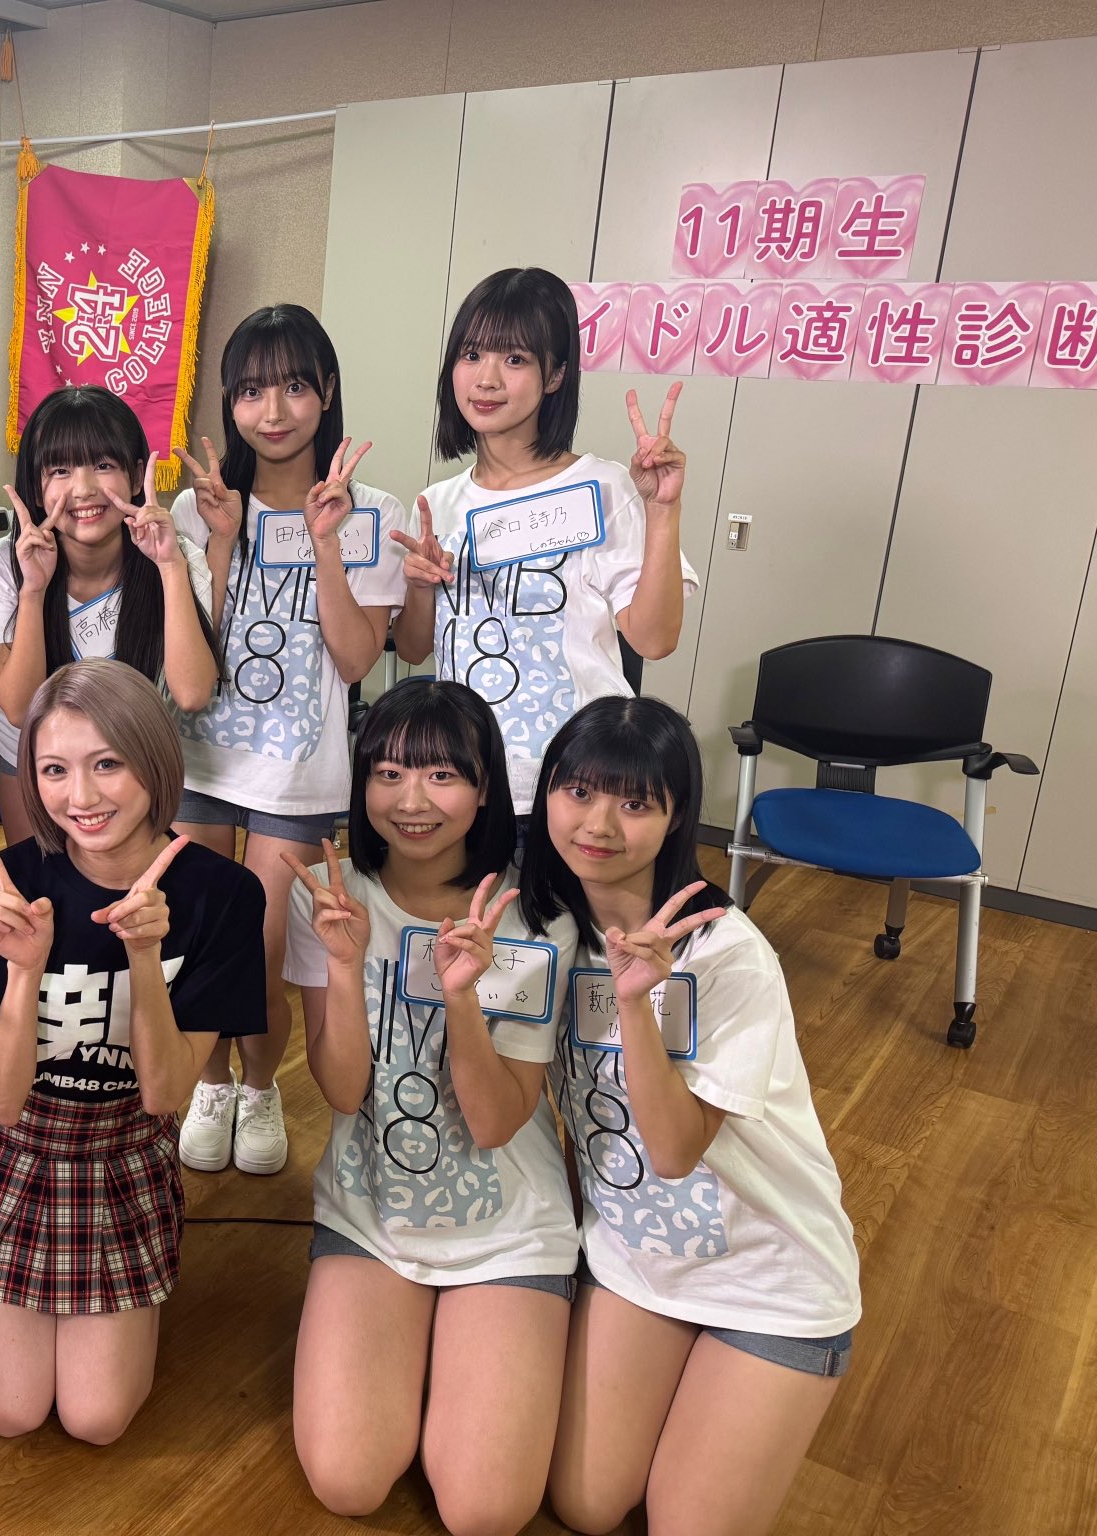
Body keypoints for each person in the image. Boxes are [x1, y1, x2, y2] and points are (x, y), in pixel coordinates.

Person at [518, 696, 861, 1536]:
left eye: (635, 802)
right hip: (639, 1263)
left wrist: (637, 1004)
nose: (599, 824)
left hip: (771, 1280)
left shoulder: (728, 953)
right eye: (578, 791)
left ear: (676, 818)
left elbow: (672, 1150)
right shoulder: (549, 931)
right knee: (585, 1505)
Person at [0, 660, 267, 1444]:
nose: (81, 797)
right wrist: (24, 971)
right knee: (12, 1412)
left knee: (97, 1417)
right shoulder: (2, 890)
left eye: (108, 763)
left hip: (122, 1153)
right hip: (8, 1148)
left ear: (154, 760)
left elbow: (165, 1096)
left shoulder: (222, 896)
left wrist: (145, 955)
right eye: (54, 770)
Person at [285, 680, 579, 1530]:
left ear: (486, 790)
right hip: (371, 1214)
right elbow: (343, 1091)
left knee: (485, 1511)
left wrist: (462, 997)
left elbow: (494, 1123)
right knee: (346, 1481)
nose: (411, 801)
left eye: (443, 775)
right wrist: (345, 964)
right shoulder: (330, 894)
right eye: (388, 773)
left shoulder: (533, 918)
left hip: (508, 1225)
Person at [170, 303, 413, 1178]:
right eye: (251, 391)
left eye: (294, 387)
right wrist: (219, 542)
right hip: (199, 756)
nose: (272, 411)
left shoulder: (370, 511)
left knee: (266, 942)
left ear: (328, 392)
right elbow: (193, 647)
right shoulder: (198, 506)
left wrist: (326, 544)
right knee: (197, 933)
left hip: (300, 773)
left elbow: (355, 659)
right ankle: (209, 1084)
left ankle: (262, 1085)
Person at [391, 266, 697, 814]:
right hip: (467, 779)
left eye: (515, 359)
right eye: (471, 355)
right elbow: (415, 650)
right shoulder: (438, 503)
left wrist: (662, 510)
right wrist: (419, 587)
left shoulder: (601, 487)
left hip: (577, 784)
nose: (486, 380)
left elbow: (654, 640)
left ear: (555, 375)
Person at [0, 384, 219, 842]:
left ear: (136, 475)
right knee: (41, 875)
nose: (84, 489)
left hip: (131, 754)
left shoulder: (178, 556)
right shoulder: (3, 564)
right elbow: (18, 708)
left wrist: (169, 566)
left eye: (104, 465)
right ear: (36, 487)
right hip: (31, 754)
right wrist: (33, 590)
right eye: (60, 470)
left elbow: (192, 694)